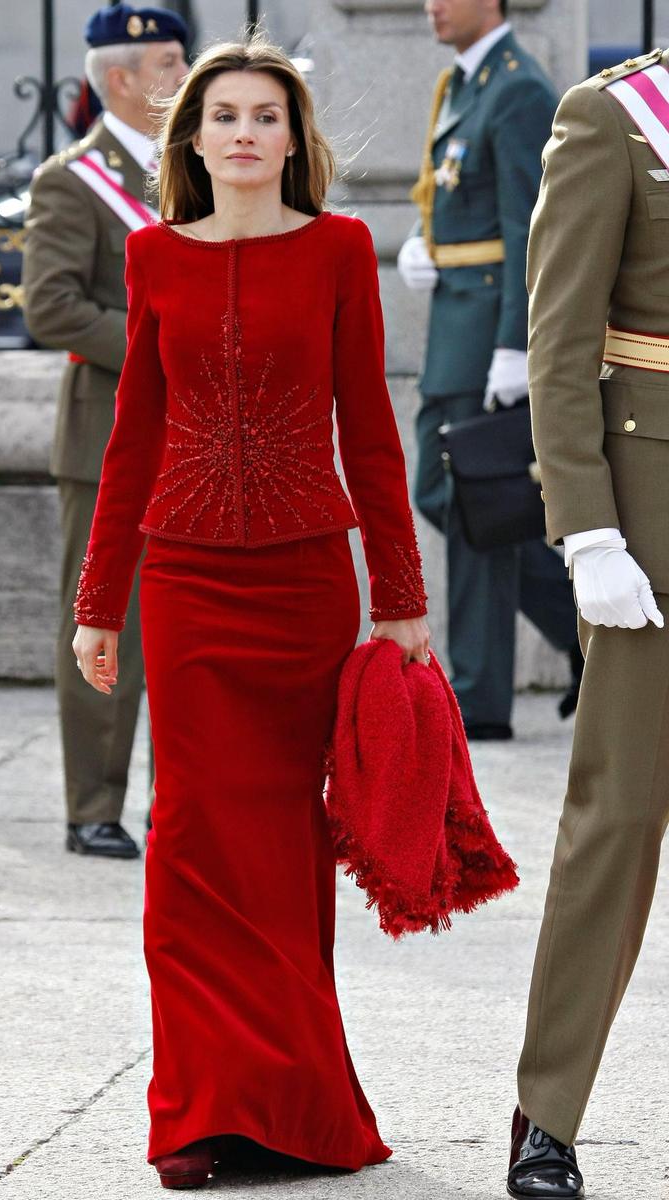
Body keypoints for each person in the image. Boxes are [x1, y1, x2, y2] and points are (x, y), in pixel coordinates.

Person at [73, 35, 430, 1189]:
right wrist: (98, 604)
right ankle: (197, 1114)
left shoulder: (335, 249)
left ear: (291, 137)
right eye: (220, 114)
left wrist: (400, 599)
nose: (241, 133)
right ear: (190, 139)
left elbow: (369, 433)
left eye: (263, 116)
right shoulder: (150, 257)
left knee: (282, 849)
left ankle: (296, 1112)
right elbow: (130, 443)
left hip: (304, 589)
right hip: (182, 589)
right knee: (185, 843)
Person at [507, 46, 669, 1200]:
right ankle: (547, 1113)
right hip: (651, 510)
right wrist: (586, 531)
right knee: (615, 817)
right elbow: (560, 340)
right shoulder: (610, 116)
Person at [23, 6, 189, 859]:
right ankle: (93, 803)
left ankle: (180, 801)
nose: (184, 69)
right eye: (169, 60)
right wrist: (162, 347)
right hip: (107, 440)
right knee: (101, 622)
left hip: (199, 443)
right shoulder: (72, 179)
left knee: (189, 632)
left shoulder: (200, 168)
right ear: (119, 78)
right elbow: (50, 305)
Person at [399, 0, 581, 739]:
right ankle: (584, 629)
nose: (432, 4)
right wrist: (422, 241)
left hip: (487, 341)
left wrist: (517, 344)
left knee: (470, 501)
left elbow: (530, 228)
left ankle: (478, 695)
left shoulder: (518, 88)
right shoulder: (466, 83)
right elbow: (456, 196)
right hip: (455, 332)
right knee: (452, 496)